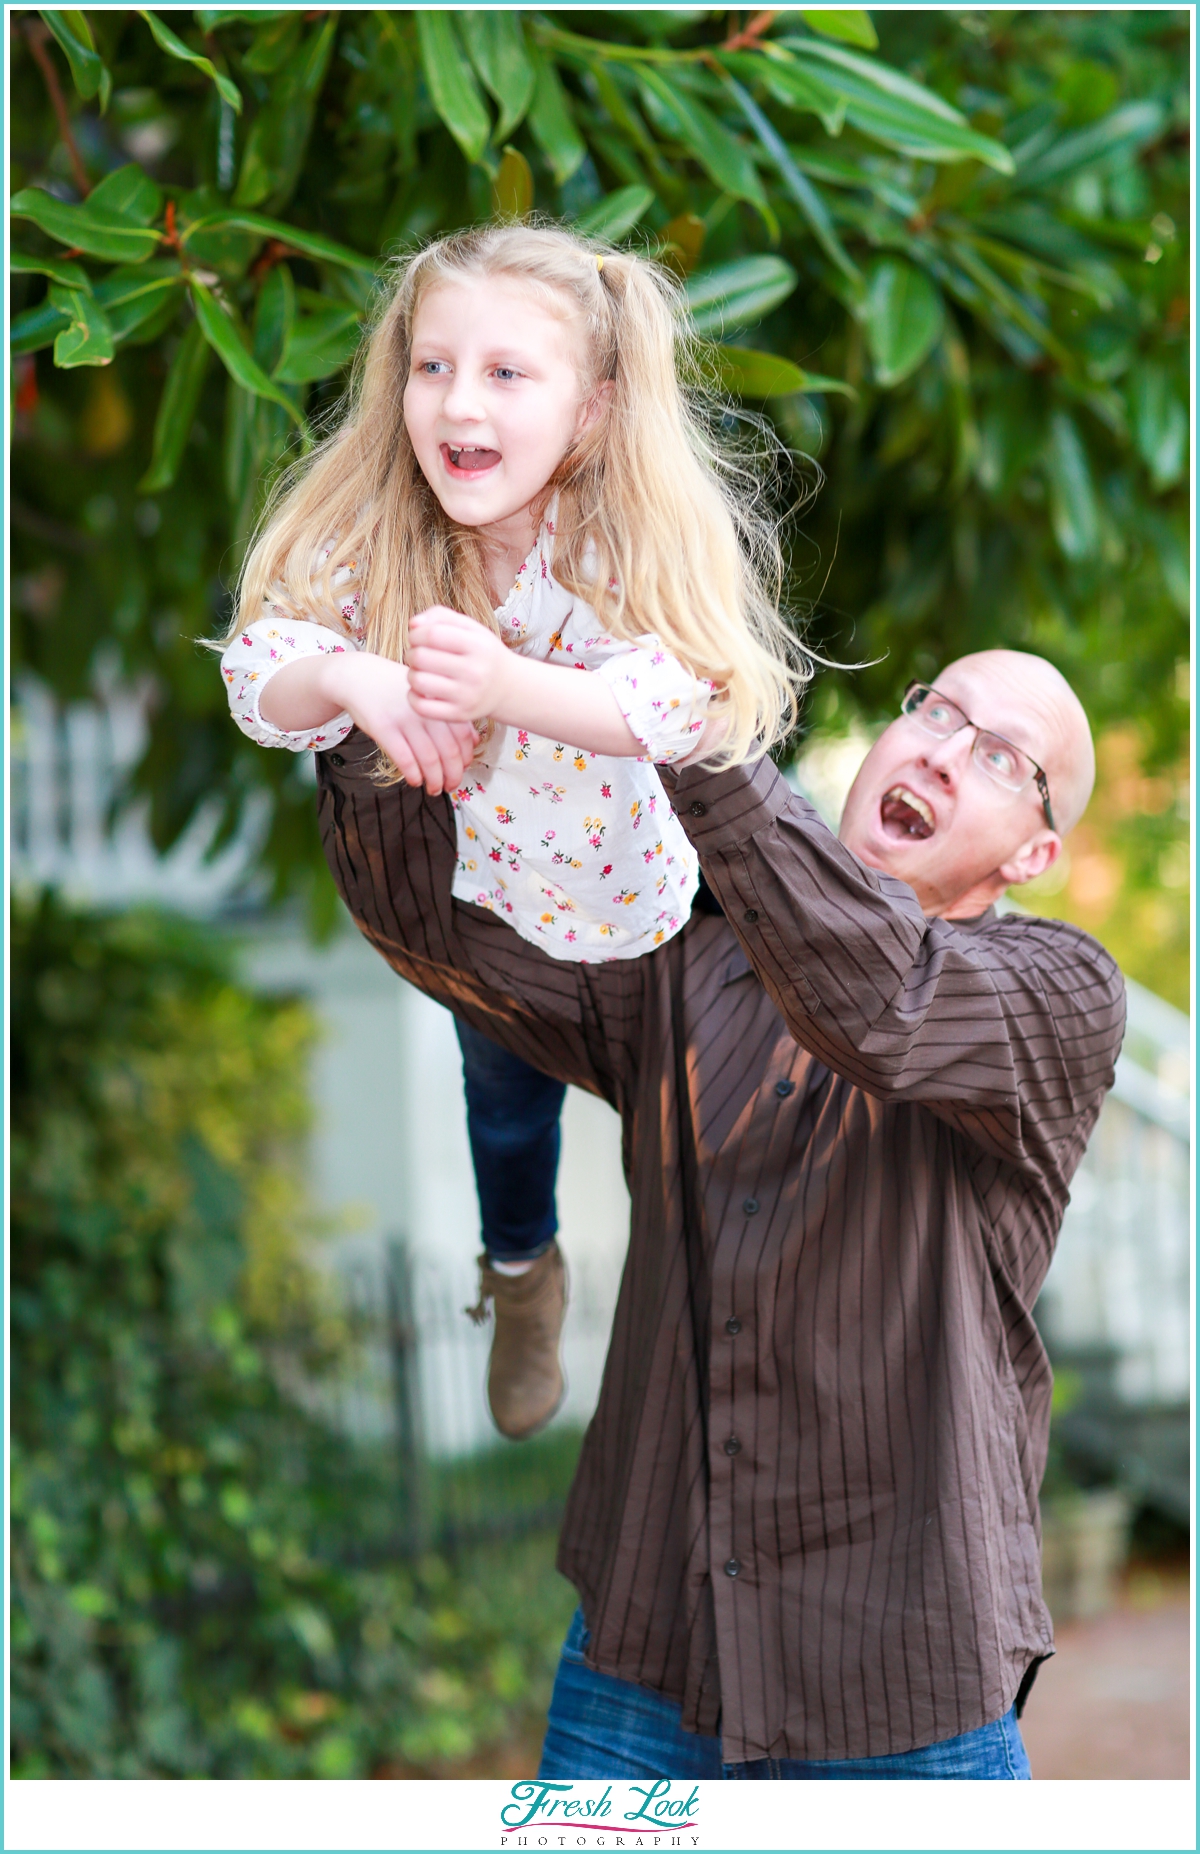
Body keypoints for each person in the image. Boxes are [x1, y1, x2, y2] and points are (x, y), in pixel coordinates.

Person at [311, 643, 1125, 1778]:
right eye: (937, 711)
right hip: (641, 1671)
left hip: (907, 1694)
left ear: (1035, 852)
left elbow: (885, 1001)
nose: (942, 752)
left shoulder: (1060, 994)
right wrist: (375, 731)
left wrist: (688, 725)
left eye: (998, 757)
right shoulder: (684, 958)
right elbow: (448, 935)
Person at [219, 224, 805, 1440]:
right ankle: (522, 1273)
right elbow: (256, 672)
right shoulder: (382, 541)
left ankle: (721, 1346)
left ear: (589, 412)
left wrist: (502, 686)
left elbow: (682, 699)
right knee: (504, 1112)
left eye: (504, 373)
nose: (457, 400)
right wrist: (353, 681)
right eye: (432, 366)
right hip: (496, 928)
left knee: (692, 1151)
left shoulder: (613, 542)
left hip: (660, 930)